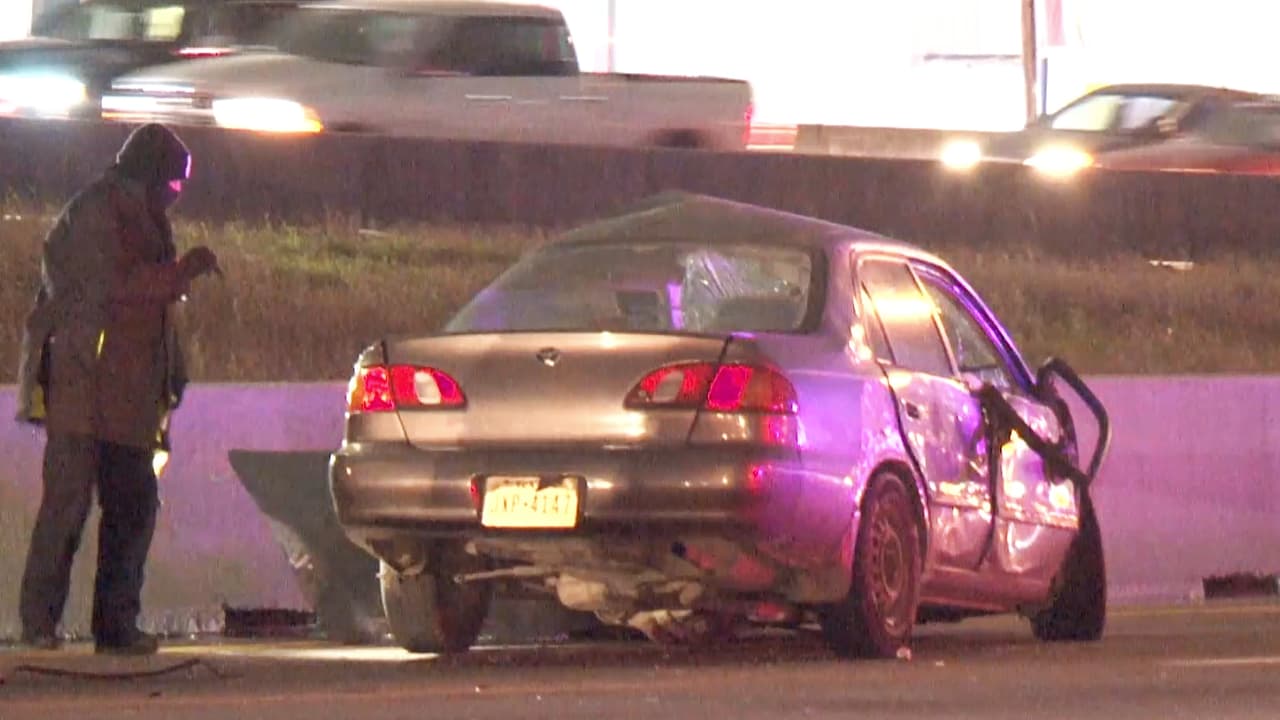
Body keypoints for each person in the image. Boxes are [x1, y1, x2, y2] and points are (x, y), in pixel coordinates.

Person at [14, 123, 221, 655]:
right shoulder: (95, 213)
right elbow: (108, 287)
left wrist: (171, 377)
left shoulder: (145, 217)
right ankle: (39, 622)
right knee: (66, 508)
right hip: (82, 389)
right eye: (170, 185)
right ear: (146, 175)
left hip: (128, 398)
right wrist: (179, 273)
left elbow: (152, 316)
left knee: (134, 506)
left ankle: (116, 623)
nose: (174, 196)